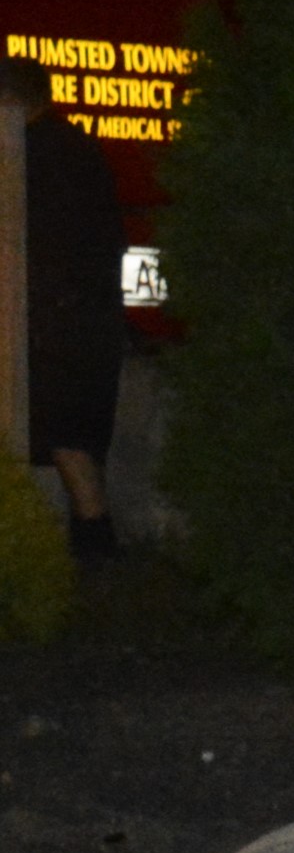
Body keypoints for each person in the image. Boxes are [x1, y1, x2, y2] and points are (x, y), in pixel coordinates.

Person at [1, 59, 132, 558]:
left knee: (67, 439)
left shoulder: (39, 153)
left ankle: (94, 547)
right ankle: (92, 546)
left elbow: (38, 243)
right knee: (72, 440)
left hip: (58, 324)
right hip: (81, 319)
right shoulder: (74, 148)